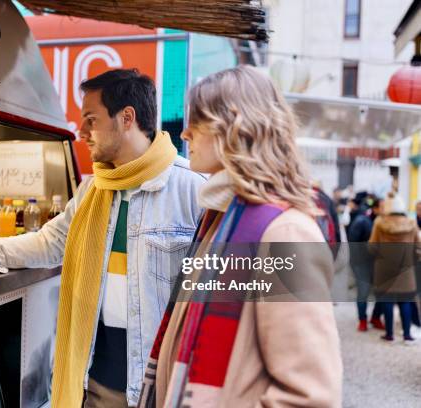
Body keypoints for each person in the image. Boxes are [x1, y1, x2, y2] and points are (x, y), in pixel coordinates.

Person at [0, 68, 205, 407]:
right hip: (93, 383)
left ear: (127, 118)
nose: (80, 131)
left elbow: (234, 299)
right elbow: (49, 242)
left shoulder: (194, 190)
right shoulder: (92, 190)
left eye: (91, 120)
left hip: (160, 386)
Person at [138, 65, 342, 407]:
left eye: (197, 122)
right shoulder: (219, 219)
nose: (185, 134)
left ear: (234, 127)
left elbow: (311, 396)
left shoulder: (284, 233)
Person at [369, 193, 418, 343]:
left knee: (387, 300)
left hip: (384, 268)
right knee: (405, 301)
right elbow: (418, 246)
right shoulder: (411, 223)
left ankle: (389, 335)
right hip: (406, 267)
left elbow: (372, 246)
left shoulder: (380, 223)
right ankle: (407, 335)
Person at [348, 196, 384, 331]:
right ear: (375, 209)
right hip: (363, 263)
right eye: (382, 208)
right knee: (363, 292)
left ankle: (375, 317)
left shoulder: (385, 222)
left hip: (379, 264)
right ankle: (362, 320)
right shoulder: (362, 221)